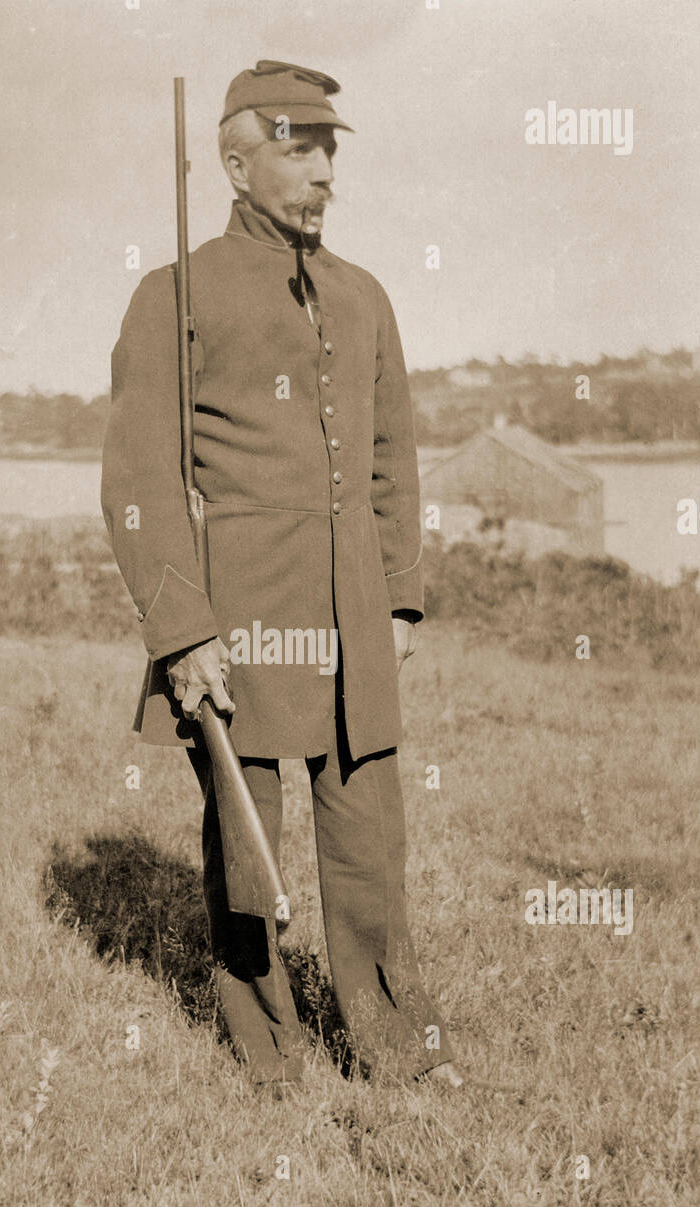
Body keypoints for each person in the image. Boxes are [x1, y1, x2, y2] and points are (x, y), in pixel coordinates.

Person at [102, 59, 463, 1092]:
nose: (319, 171)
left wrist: (396, 595)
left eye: (327, 150)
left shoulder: (363, 296)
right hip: (241, 613)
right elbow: (140, 479)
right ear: (233, 158)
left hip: (352, 611)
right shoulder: (174, 296)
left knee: (367, 837)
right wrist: (182, 630)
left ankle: (392, 1039)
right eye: (294, 148)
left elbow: (392, 457)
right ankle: (267, 1049)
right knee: (247, 837)